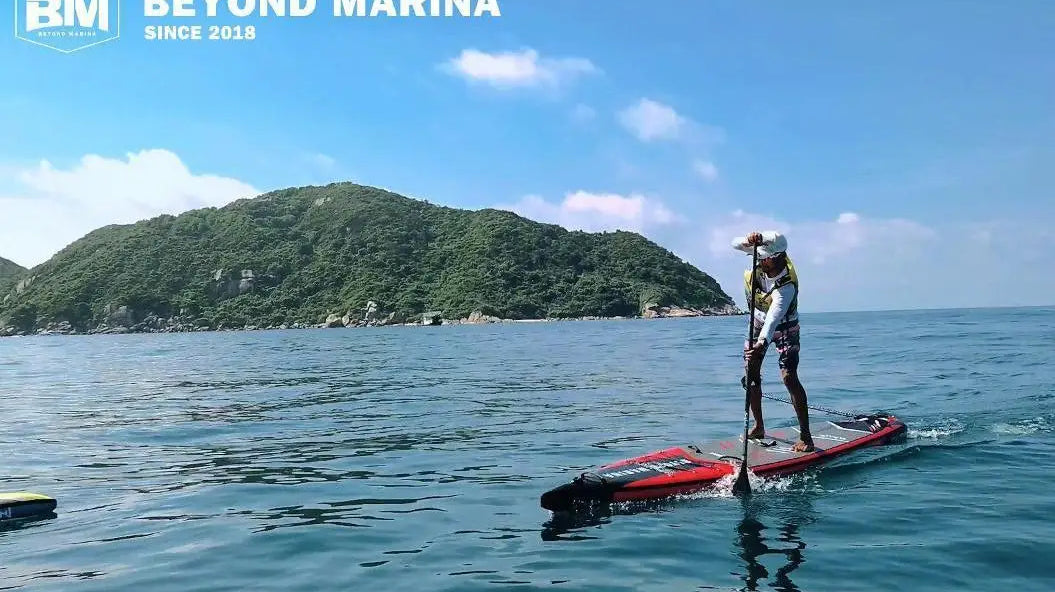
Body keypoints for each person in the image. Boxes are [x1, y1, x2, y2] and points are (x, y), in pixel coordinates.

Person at [732, 230, 815, 452]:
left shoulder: (786, 286)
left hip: (784, 326)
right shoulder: (760, 256)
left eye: (765, 258)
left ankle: (806, 437)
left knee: (789, 377)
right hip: (757, 322)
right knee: (751, 374)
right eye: (759, 256)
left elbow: (774, 318)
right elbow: (734, 244)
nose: (760, 261)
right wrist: (748, 240)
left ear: (778, 256)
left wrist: (761, 345)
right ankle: (759, 426)